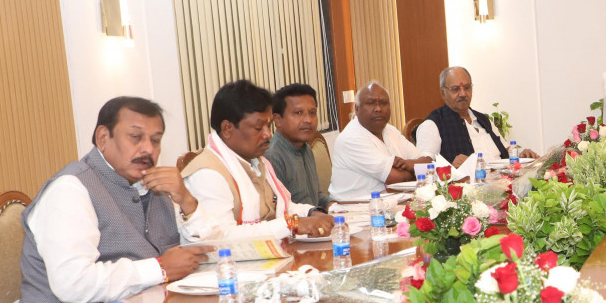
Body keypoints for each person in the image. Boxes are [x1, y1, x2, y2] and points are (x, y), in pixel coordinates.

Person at [17, 97, 214, 303]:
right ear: (103, 138)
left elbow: (207, 255)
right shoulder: (70, 189)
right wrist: (160, 268)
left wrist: (187, 200)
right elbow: (73, 284)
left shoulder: (154, 185)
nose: (148, 149)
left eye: (156, 140)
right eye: (136, 137)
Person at [183, 80, 334, 239]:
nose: (268, 134)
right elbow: (224, 236)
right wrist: (292, 224)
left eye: (268, 126)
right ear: (227, 128)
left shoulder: (256, 161)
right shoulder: (208, 173)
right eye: (258, 128)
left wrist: (312, 212)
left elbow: (282, 207)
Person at [330, 82, 433, 200]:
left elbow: (428, 163)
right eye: (371, 103)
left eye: (383, 103)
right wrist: (415, 169)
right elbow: (398, 179)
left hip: (390, 201)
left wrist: (408, 164)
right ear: (357, 109)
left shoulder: (390, 130)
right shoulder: (351, 138)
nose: (378, 109)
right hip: (354, 206)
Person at [416, 67, 536, 167]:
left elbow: (506, 151)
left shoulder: (484, 120)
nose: (463, 94)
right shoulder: (433, 124)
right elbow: (424, 168)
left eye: (467, 87)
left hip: (503, 181)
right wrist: (451, 168)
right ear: (443, 93)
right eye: (455, 89)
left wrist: (522, 156)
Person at [265, 83, 332, 209]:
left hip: (315, 218)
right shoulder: (272, 156)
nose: (308, 120)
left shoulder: (306, 149)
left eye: (312, 112)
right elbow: (279, 210)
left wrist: (331, 204)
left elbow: (315, 195)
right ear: (277, 120)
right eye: (298, 112)